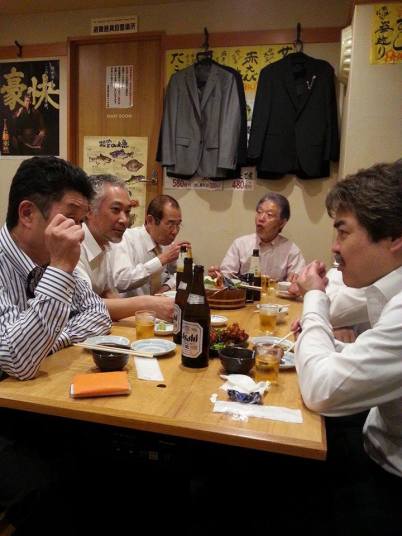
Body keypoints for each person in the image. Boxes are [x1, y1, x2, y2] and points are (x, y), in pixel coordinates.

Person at [0, 156, 111, 534]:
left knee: (113, 452)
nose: (78, 233)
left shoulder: (53, 254)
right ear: (27, 213)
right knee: (51, 488)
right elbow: (18, 359)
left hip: (34, 405)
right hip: (7, 416)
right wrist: (61, 269)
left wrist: (49, 339)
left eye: (81, 222)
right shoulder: (55, 260)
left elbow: (98, 314)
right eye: (70, 218)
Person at [294, 160, 402, 535]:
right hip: (373, 437)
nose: (334, 247)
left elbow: (322, 390)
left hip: (389, 479)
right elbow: (367, 356)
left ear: (394, 237)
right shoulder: (388, 289)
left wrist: (314, 299)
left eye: (343, 232)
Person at [76, 176, 175, 321]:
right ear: (89, 210)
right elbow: (84, 305)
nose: (124, 220)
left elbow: (107, 292)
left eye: (127, 212)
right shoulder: (74, 244)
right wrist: (147, 304)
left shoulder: (106, 243)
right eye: (116, 210)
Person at [209, 192, 305, 281]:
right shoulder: (241, 244)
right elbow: (226, 277)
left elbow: (298, 283)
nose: (261, 218)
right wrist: (218, 276)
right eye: (259, 212)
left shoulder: (292, 251)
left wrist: (295, 280)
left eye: (269, 215)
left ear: (282, 223)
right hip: (244, 294)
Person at [108, 194, 190, 296]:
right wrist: (162, 259)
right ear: (150, 220)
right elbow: (121, 282)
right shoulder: (126, 239)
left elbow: (187, 272)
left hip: (159, 304)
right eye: (170, 224)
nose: (175, 231)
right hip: (132, 305)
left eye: (178, 225)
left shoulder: (166, 243)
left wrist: (167, 286)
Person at [13, 90, 46, 155]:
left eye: (28, 101)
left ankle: (33, 146)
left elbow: (40, 122)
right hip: (22, 134)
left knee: (42, 134)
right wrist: (18, 114)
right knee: (19, 141)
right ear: (24, 101)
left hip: (33, 134)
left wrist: (41, 131)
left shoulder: (35, 111)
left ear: (30, 102)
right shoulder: (21, 110)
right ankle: (31, 147)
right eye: (26, 101)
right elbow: (14, 119)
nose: (27, 103)